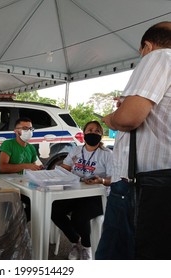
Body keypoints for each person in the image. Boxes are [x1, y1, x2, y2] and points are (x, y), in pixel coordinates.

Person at [98, 21, 171, 260]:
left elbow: (129, 119)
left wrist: (111, 119)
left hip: (142, 185)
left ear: (147, 47)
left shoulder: (159, 57)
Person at [51, 121, 113, 260]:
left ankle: (86, 246)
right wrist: (56, 172)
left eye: (97, 131)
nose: (93, 133)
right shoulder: (76, 150)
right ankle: (75, 241)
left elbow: (112, 179)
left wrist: (101, 181)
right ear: (84, 133)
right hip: (74, 192)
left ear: (101, 136)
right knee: (54, 209)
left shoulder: (107, 154)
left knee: (79, 217)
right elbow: (65, 168)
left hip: (97, 196)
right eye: (90, 130)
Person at [0, 117, 43, 221]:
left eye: (31, 129)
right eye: (25, 128)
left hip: (24, 185)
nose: (29, 131)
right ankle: (15, 225)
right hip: (8, 185)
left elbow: (32, 167)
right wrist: (25, 165)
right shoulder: (8, 144)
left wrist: (37, 168)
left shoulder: (31, 148)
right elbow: (3, 167)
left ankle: (19, 224)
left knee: (39, 203)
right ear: (16, 131)